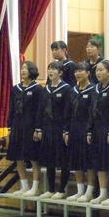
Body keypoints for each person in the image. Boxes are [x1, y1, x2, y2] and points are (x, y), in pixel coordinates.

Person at [86, 60, 109, 205]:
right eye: (97, 70)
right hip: (97, 128)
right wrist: (89, 130)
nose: (98, 73)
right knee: (99, 162)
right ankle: (103, 193)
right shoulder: (95, 88)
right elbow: (91, 110)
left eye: (101, 70)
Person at [6, 61, 44, 197]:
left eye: (26, 68)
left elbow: (40, 110)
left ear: (32, 71)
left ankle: (35, 187)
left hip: (31, 126)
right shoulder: (15, 89)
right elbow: (11, 108)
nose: (23, 71)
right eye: (22, 68)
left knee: (33, 157)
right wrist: (9, 127)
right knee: (18, 157)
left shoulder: (37, 89)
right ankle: (24, 186)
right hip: (17, 125)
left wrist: (38, 128)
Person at [37, 61, 73, 199]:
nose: (50, 72)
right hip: (47, 127)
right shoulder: (46, 89)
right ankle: (51, 189)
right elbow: (40, 109)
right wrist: (39, 128)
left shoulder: (66, 89)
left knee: (63, 159)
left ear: (60, 73)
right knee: (49, 158)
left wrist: (66, 129)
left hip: (60, 127)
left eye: (54, 69)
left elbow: (68, 111)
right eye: (49, 69)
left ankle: (62, 189)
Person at [64, 63, 97, 202]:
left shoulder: (93, 90)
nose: (77, 73)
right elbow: (67, 112)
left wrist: (90, 130)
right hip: (74, 128)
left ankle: (89, 191)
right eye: (76, 71)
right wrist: (66, 130)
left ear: (88, 73)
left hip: (87, 128)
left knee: (88, 161)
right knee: (76, 159)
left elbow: (93, 112)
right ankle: (80, 191)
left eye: (81, 71)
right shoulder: (73, 90)